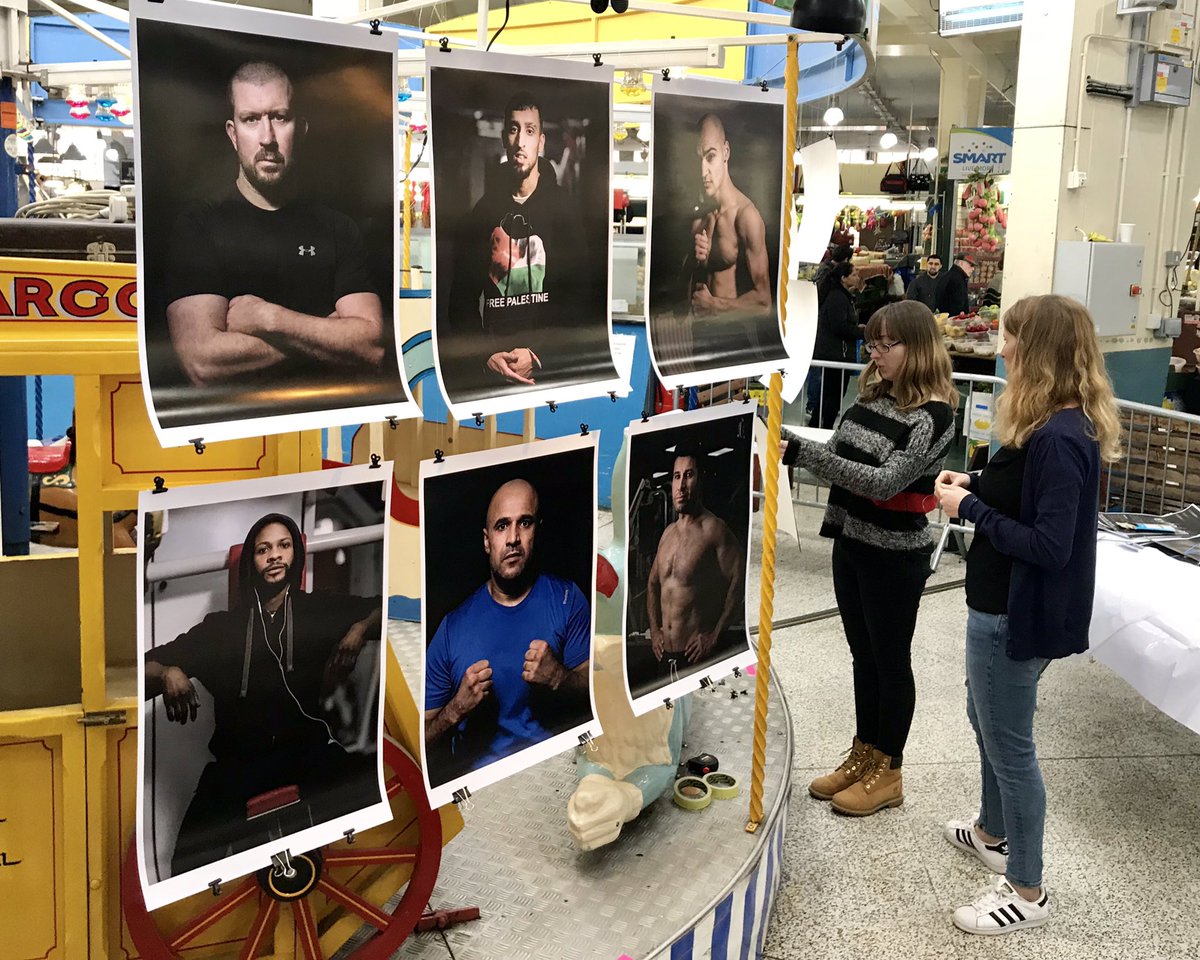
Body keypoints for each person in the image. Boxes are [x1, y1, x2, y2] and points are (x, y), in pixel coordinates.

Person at [934, 294, 1120, 935]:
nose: (1003, 349)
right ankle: (992, 831)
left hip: (1015, 617)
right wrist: (978, 486)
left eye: (1012, 339)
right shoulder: (1044, 427)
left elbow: (1049, 544)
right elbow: (1020, 497)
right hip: (994, 605)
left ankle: (1027, 889)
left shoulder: (1062, 440)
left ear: (1037, 349)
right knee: (983, 722)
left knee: (1012, 747)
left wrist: (971, 513)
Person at [782, 300, 957, 816]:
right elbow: (835, 457)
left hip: (895, 554)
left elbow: (884, 482)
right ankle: (863, 754)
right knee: (863, 657)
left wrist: (799, 451)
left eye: (888, 345)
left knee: (890, 659)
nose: (876, 355)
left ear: (918, 346)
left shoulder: (934, 416)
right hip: (851, 542)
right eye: (872, 344)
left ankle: (890, 770)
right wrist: (804, 453)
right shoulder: (868, 398)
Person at [144, 513, 382, 878]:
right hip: (239, 763)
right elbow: (142, 667)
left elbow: (395, 605)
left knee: (373, 787)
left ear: (296, 557)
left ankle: (362, 884)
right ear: (251, 564)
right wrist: (168, 672)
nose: (274, 556)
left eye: (284, 546)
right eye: (263, 549)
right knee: (189, 858)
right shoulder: (219, 629)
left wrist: (359, 629)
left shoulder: (318, 609)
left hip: (306, 750)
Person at [164, 61, 385, 388]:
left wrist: (269, 319)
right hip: (235, 429)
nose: (267, 137)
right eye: (251, 119)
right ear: (233, 133)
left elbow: (371, 347)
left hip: (326, 424)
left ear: (302, 128)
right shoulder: (199, 227)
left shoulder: (338, 230)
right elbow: (203, 361)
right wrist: (324, 335)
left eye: (280, 117)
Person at [424, 479, 591, 783]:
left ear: (536, 530)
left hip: (556, 773)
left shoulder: (568, 599)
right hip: (481, 785)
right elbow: (419, 742)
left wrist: (559, 679)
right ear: (487, 541)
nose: (513, 538)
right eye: (502, 526)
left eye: (524, 523)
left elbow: (600, 691)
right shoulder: (452, 628)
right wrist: (455, 709)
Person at [445, 92, 589, 388]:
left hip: (546, 372)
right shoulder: (482, 213)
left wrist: (537, 351)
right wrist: (486, 354)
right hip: (492, 371)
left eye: (530, 130)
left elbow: (578, 300)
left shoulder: (565, 211)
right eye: (513, 129)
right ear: (503, 138)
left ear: (541, 142)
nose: (521, 140)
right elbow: (460, 300)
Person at [645, 448, 744, 684]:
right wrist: (655, 631)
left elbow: (739, 582)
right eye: (677, 476)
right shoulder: (667, 534)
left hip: (694, 657)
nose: (681, 486)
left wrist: (714, 637)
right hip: (664, 655)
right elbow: (652, 584)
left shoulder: (714, 530)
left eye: (688, 475)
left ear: (700, 480)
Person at [809, 262, 865, 429]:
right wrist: (861, 331)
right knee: (831, 396)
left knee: (830, 395)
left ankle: (820, 426)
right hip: (834, 355)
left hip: (836, 353)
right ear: (843, 278)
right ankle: (821, 428)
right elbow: (839, 327)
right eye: (854, 275)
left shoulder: (842, 296)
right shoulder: (837, 298)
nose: (857, 278)